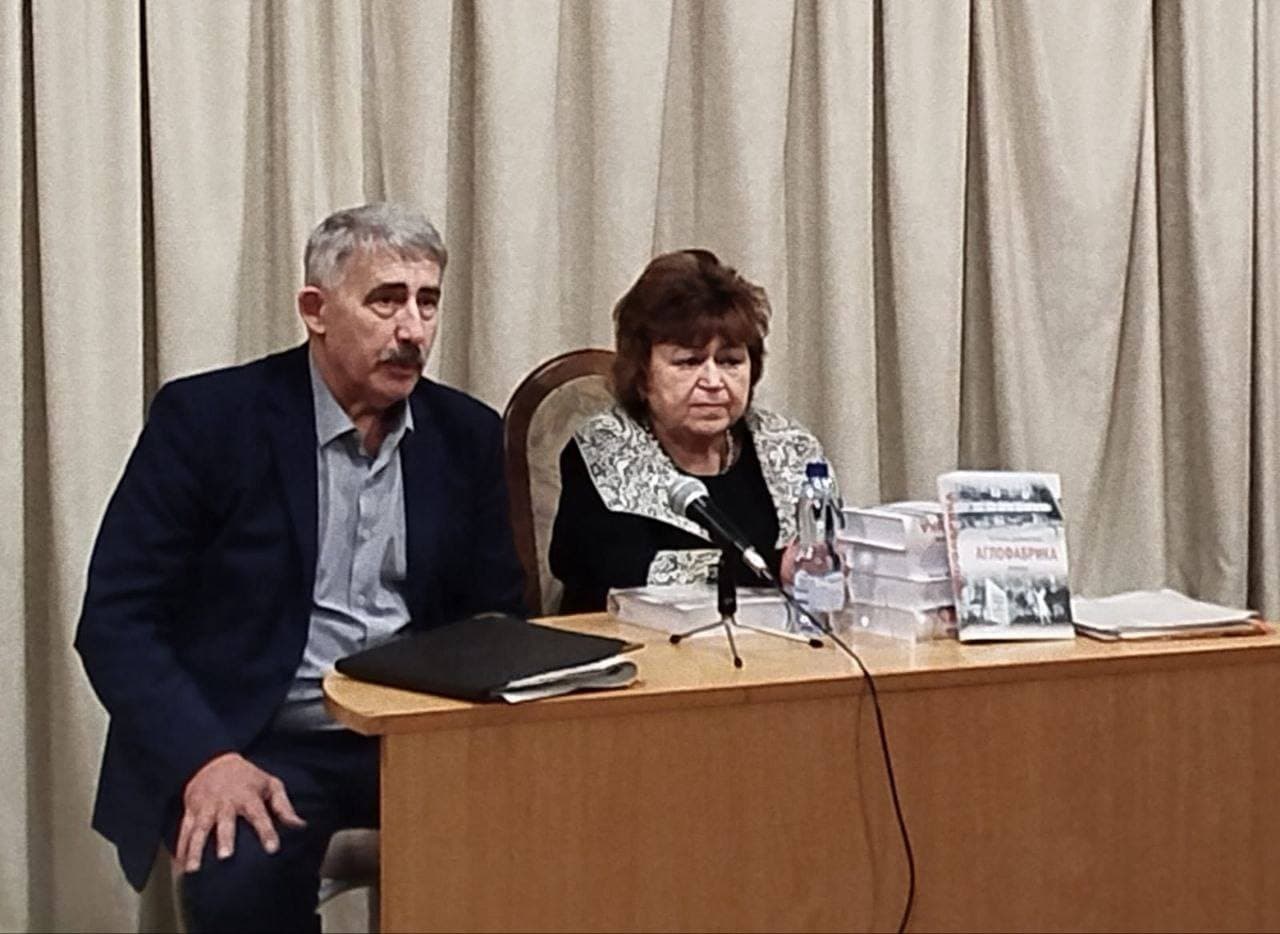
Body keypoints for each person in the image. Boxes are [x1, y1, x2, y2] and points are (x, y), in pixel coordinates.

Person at [74, 203, 525, 932]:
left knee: (564, 827)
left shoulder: (465, 433)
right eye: (386, 301)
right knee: (239, 880)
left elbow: (495, 615)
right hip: (256, 738)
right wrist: (205, 759)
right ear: (315, 310)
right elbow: (116, 621)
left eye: (427, 302)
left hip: (415, 734)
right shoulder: (209, 420)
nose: (413, 330)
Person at [548, 248, 830, 613]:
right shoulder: (605, 447)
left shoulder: (790, 446)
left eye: (730, 361)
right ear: (643, 374)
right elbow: (616, 568)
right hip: (632, 641)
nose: (713, 381)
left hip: (777, 643)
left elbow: (828, 557)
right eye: (689, 362)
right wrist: (771, 567)